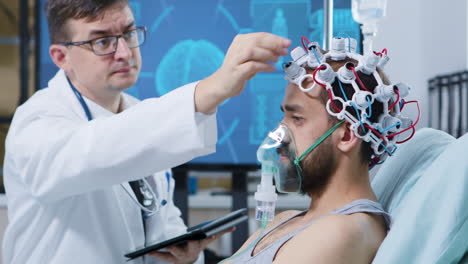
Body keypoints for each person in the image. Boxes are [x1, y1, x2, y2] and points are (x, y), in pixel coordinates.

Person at [1, 0, 291, 263]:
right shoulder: (36, 121)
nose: (125, 53)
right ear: (61, 57)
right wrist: (208, 90)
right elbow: (92, 151)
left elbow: (157, 219)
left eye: (128, 33)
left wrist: (183, 254)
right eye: (102, 42)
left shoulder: (138, 113)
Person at [223, 37, 419, 264]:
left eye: (297, 118)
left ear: (346, 135)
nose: (279, 130)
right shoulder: (285, 220)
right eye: (284, 116)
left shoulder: (343, 231)